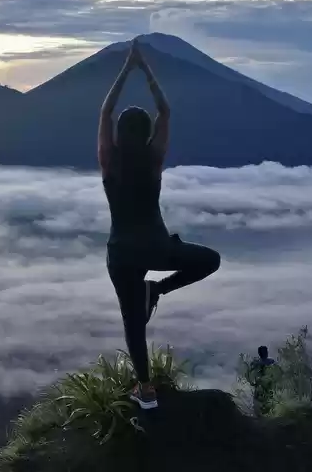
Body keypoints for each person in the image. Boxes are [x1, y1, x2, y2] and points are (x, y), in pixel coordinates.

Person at [99, 39, 223, 410]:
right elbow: (165, 112)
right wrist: (145, 69)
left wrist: (126, 68)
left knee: (132, 321)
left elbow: (105, 114)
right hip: (157, 246)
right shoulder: (153, 161)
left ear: (121, 133)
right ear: (147, 132)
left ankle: (146, 390)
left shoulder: (110, 162)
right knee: (209, 259)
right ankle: (160, 290)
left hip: (121, 254)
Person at [247, 346, 278, 416]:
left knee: (269, 401)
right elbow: (251, 373)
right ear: (260, 353)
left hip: (268, 385)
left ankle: (267, 416)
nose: (266, 352)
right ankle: (259, 416)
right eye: (264, 351)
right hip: (259, 385)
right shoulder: (258, 362)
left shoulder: (270, 361)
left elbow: (276, 372)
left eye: (266, 351)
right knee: (258, 402)